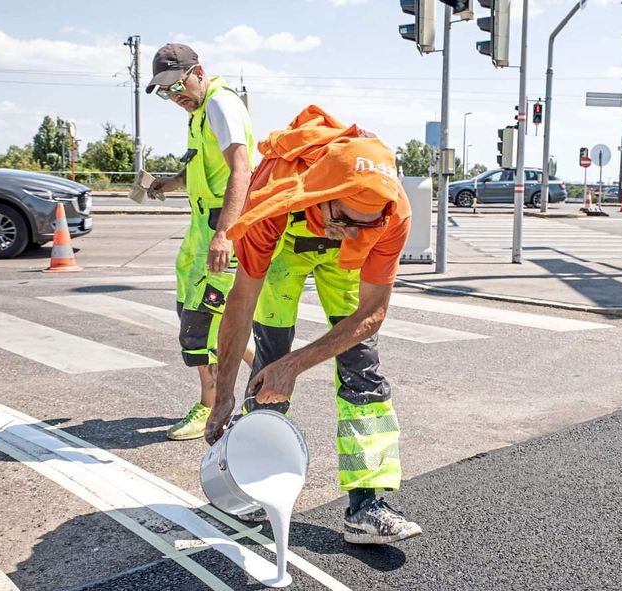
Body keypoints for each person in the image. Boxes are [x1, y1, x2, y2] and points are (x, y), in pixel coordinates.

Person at [204, 105, 422, 545]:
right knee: (271, 361)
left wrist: (300, 364)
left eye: (367, 224)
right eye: (341, 219)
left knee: (363, 369)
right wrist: (223, 392)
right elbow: (242, 302)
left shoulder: (390, 211)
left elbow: (372, 312)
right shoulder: (271, 195)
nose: (350, 232)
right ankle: (251, 487)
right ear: (320, 194)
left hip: (343, 267)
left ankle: (367, 506)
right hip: (287, 247)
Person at [145, 43, 255, 440]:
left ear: (198, 72)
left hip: (220, 228)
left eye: (178, 85)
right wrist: (168, 183)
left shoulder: (220, 105)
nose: (176, 96)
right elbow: (200, 164)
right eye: (166, 92)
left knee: (201, 321)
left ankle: (209, 406)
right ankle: (263, 376)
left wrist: (224, 234)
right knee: (211, 313)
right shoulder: (199, 111)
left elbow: (240, 172)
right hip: (201, 229)